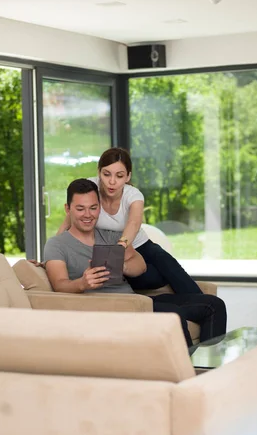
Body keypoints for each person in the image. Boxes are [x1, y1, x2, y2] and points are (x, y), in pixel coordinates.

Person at [45, 178, 227, 346]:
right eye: (80, 209)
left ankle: (211, 371)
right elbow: (60, 284)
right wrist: (82, 283)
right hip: (116, 308)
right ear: (68, 209)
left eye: (93, 208)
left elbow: (140, 266)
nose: (88, 214)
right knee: (173, 315)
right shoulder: (57, 244)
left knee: (214, 305)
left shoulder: (111, 237)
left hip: (136, 300)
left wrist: (122, 265)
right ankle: (187, 372)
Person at [57, 147, 202, 295]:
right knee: (145, 278)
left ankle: (203, 303)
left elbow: (134, 223)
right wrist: (52, 254)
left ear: (127, 177)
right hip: (109, 249)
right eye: (106, 174)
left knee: (169, 267)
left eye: (119, 176)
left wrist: (120, 247)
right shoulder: (90, 189)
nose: (112, 181)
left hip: (139, 245)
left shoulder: (133, 195)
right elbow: (69, 220)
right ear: (99, 172)